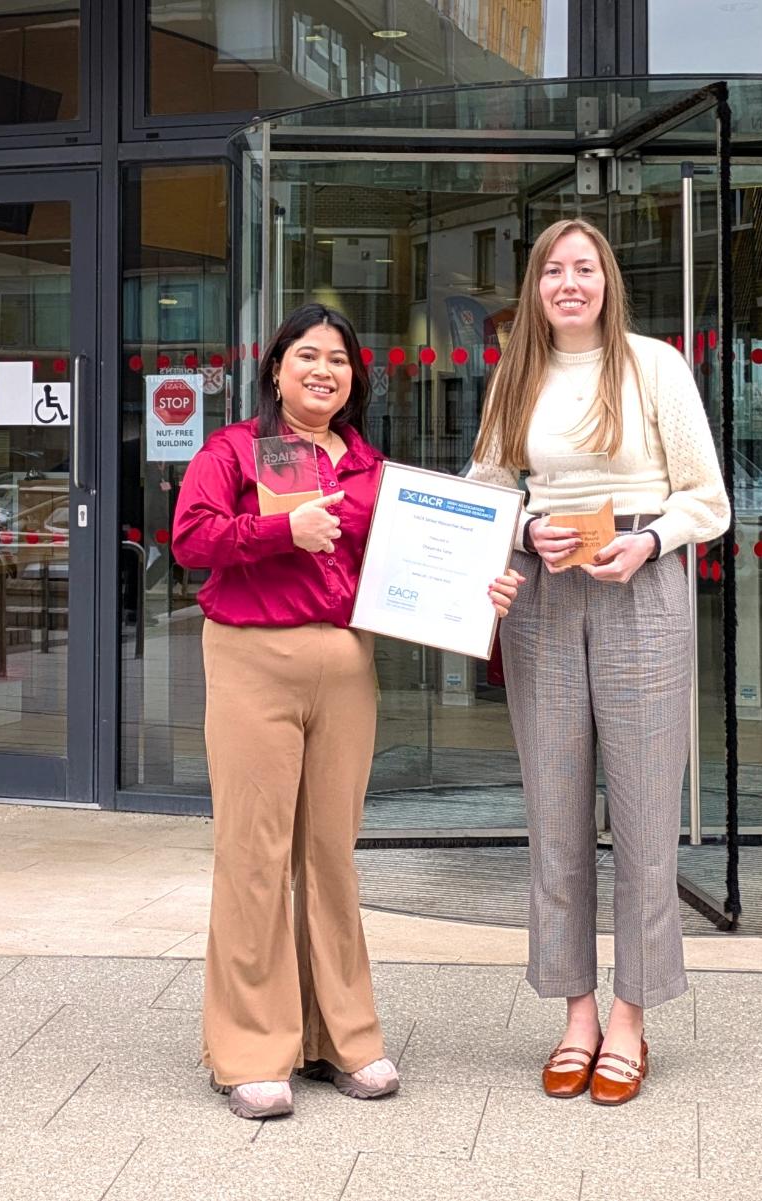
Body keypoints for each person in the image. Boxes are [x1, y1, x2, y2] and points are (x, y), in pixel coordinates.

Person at [172, 303, 522, 1120]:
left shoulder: (371, 468)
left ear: (354, 378)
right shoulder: (233, 452)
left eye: (338, 359)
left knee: (330, 852)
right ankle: (251, 1050)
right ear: (275, 370)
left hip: (345, 666)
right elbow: (191, 538)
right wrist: (277, 528)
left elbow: (405, 571)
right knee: (255, 851)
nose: (323, 370)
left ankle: (341, 1036)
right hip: (253, 658)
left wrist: (482, 592)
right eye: (306, 356)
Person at [469, 219, 731, 1106]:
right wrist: (517, 526)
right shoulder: (517, 371)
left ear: (607, 280)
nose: (568, 282)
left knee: (647, 816)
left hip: (639, 584)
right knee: (554, 812)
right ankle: (575, 1012)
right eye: (553, 269)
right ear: (536, 285)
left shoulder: (654, 364)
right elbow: (485, 489)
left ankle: (630, 1017)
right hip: (545, 594)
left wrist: (651, 540)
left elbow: (708, 498)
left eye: (583, 267)